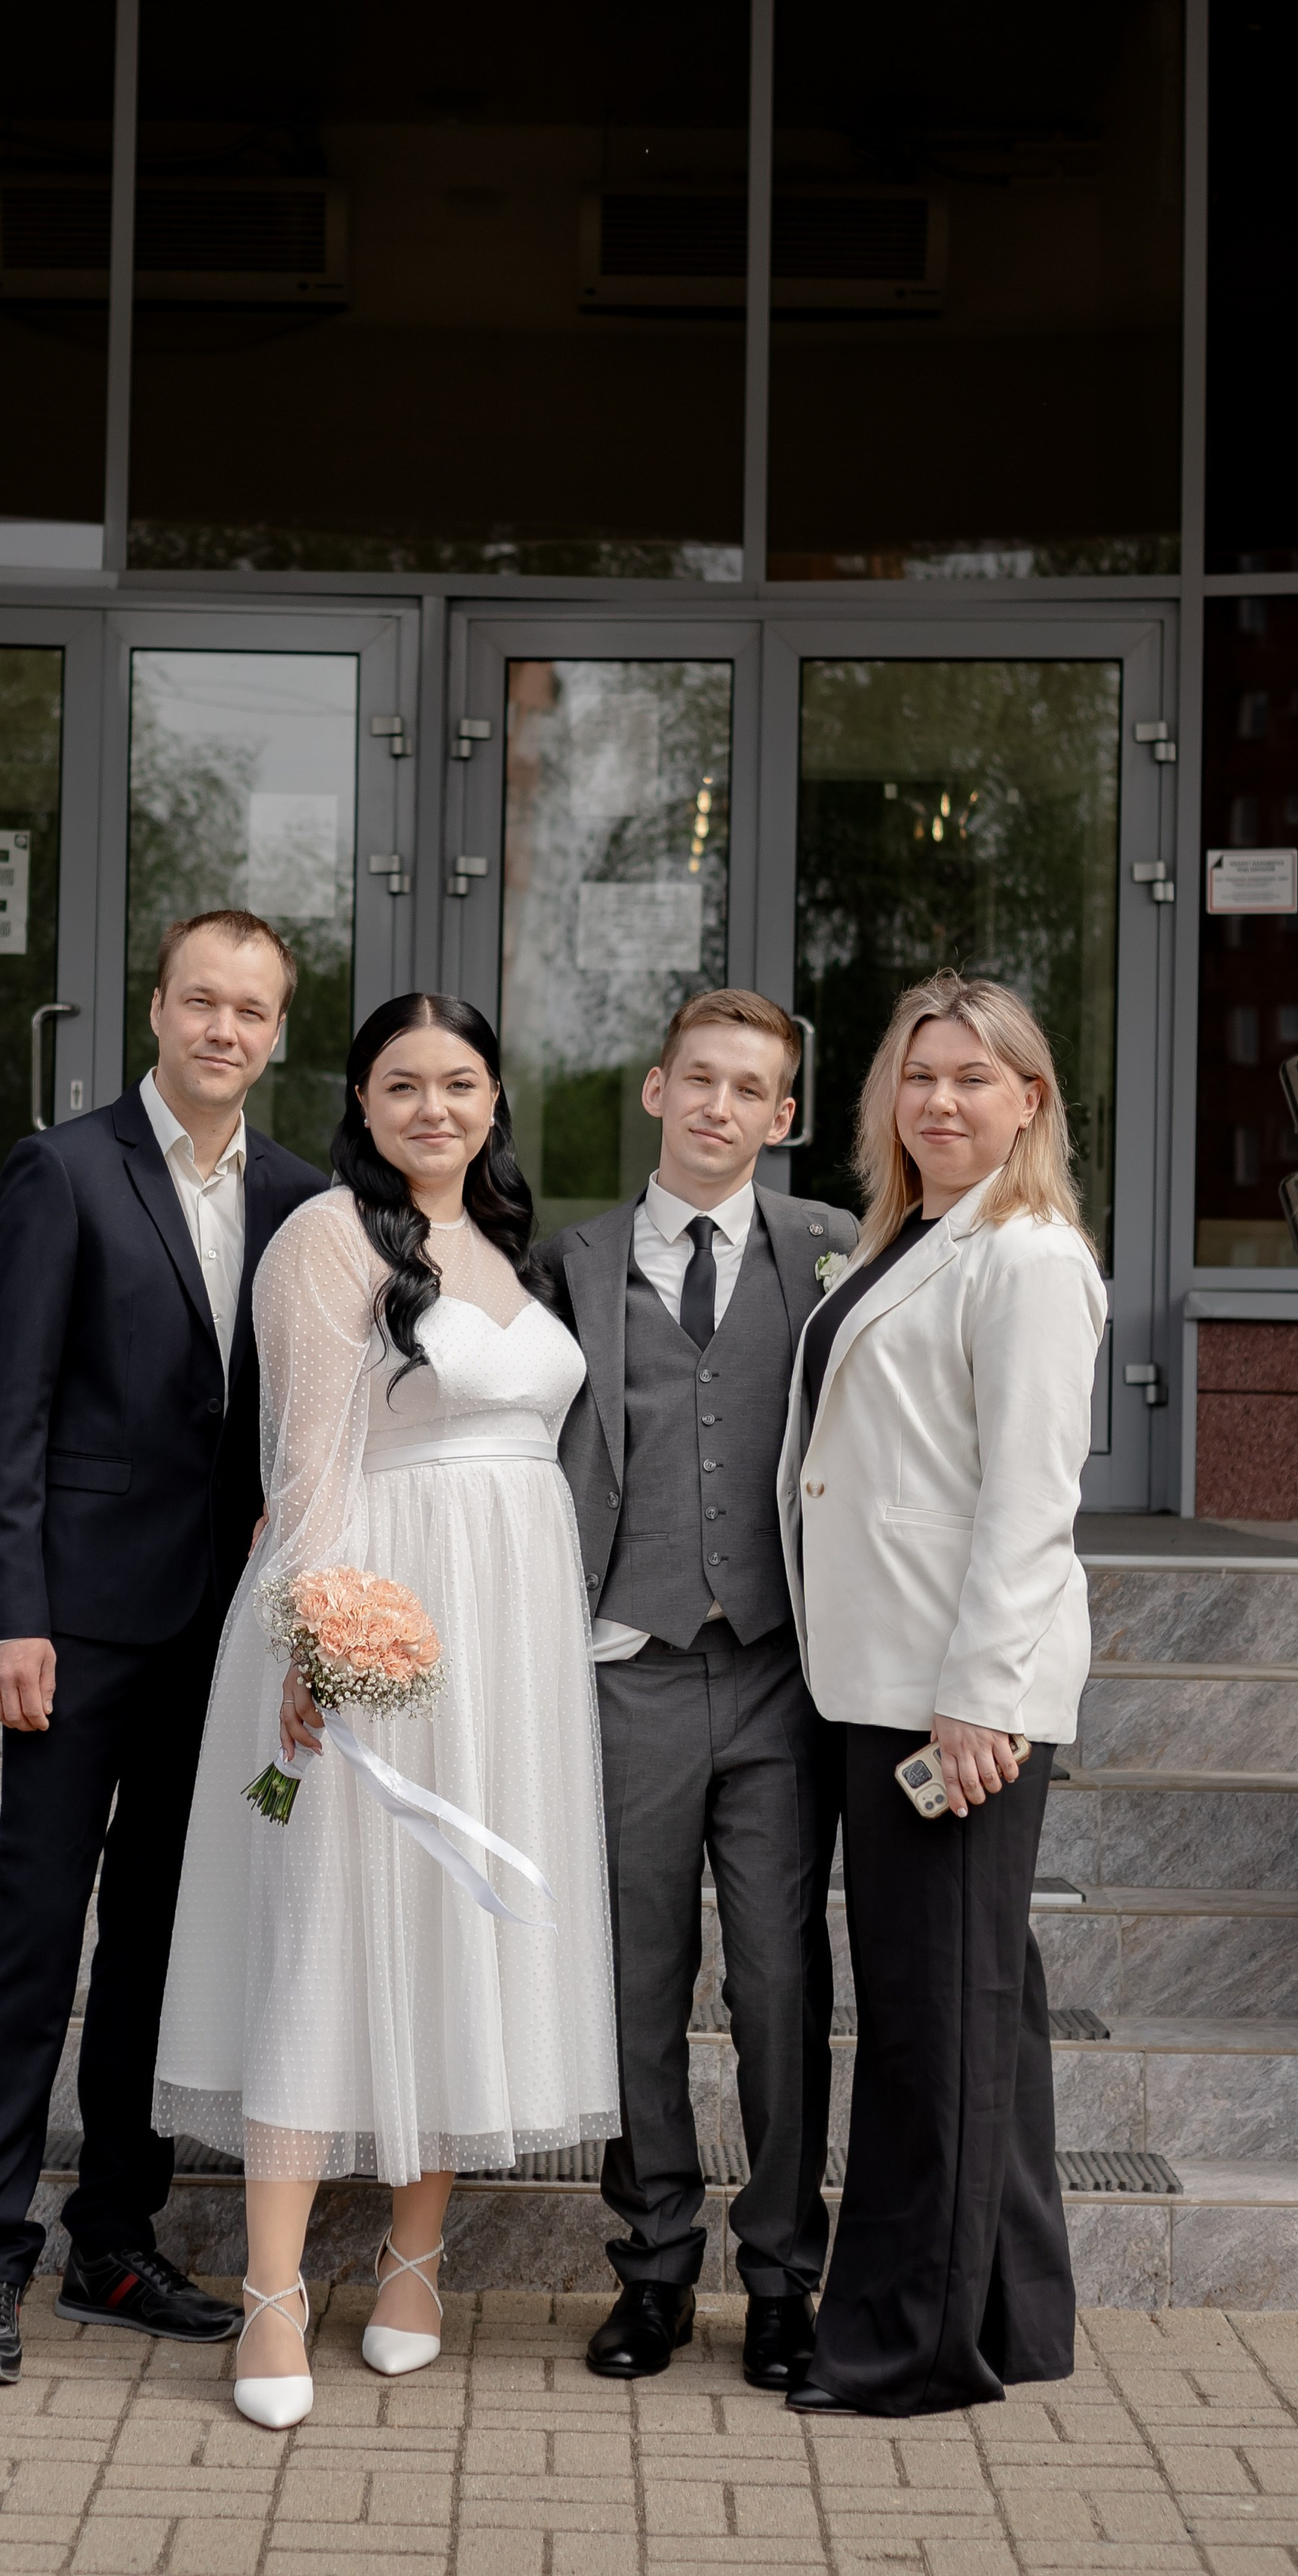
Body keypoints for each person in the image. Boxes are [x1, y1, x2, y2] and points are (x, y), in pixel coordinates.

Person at [155, 993, 617, 2433]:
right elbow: (303, 1463)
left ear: (494, 1101)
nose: (434, 1108)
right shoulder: (325, 1240)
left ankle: (416, 2260)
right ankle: (276, 2289)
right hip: (378, 1618)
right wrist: (315, 1634)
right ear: (360, 1102)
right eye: (403, 1084)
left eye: (461, 1083)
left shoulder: (511, 1249)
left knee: (458, 1922)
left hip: (514, 1639)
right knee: (324, 1928)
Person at [0, 910, 327, 2387]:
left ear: (277, 1034)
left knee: (159, 1949)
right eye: (200, 1002)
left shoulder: (301, 1196)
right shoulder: (65, 1170)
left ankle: (112, 2238)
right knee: (36, 1939)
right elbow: (9, 1412)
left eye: (252, 1010)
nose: (223, 1030)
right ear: (154, 1011)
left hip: (217, 1643)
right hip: (76, 1631)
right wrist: (8, 1613)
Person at [775, 970, 1106, 2419]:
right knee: (983, 2014)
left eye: (976, 1078)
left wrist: (981, 1699)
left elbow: (1031, 1502)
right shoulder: (908, 1239)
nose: (943, 1100)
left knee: (935, 2027)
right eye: (921, 1077)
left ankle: (912, 2349)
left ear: (1029, 1101)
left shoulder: (1028, 1257)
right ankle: (1017, 2316)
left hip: (950, 1697)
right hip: (875, 1672)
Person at [537, 990, 859, 2394]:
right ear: (657, 1091)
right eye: (701, 1080)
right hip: (633, 1675)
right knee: (638, 1983)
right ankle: (655, 2269)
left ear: (784, 1121)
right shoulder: (573, 1266)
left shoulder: (841, 1254)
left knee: (783, 1985)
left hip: (785, 1675)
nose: (723, 1106)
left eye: (754, 1090)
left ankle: (785, 2279)